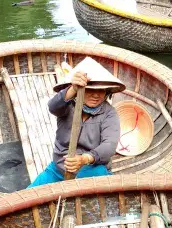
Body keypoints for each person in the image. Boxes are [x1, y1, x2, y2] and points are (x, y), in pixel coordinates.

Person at [28, 57, 124, 187]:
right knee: (29, 194)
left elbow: (109, 145)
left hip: (92, 169)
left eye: (100, 90)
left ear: (107, 92)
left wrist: (84, 159)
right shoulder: (67, 105)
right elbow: (53, 106)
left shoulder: (109, 113)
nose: (96, 95)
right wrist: (73, 88)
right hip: (59, 168)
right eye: (90, 90)